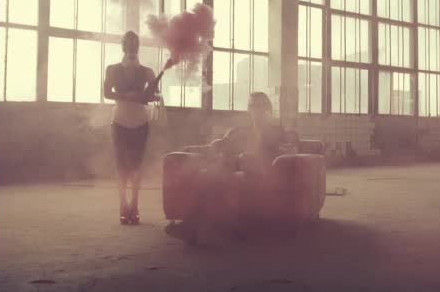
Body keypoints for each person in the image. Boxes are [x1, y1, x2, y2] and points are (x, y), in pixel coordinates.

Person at [166, 92, 297, 243]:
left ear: (267, 108)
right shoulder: (243, 131)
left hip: (261, 174)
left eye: (259, 105)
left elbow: (285, 150)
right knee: (209, 175)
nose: (255, 109)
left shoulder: (276, 130)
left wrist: (263, 153)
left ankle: (201, 227)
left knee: (230, 169)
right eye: (251, 106)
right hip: (237, 168)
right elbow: (222, 145)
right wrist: (198, 148)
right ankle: (193, 225)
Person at [103, 31, 160, 225]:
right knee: (121, 166)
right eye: (129, 43)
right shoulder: (111, 69)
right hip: (119, 120)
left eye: (135, 44)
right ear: (123, 46)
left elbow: (155, 96)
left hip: (140, 121)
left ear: (138, 47)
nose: (132, 47)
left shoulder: (148, 72)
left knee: (136, 166)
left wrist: (148, 94)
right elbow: (106, 93)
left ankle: (134, 204)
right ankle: (122, 204)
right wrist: (127, 96)